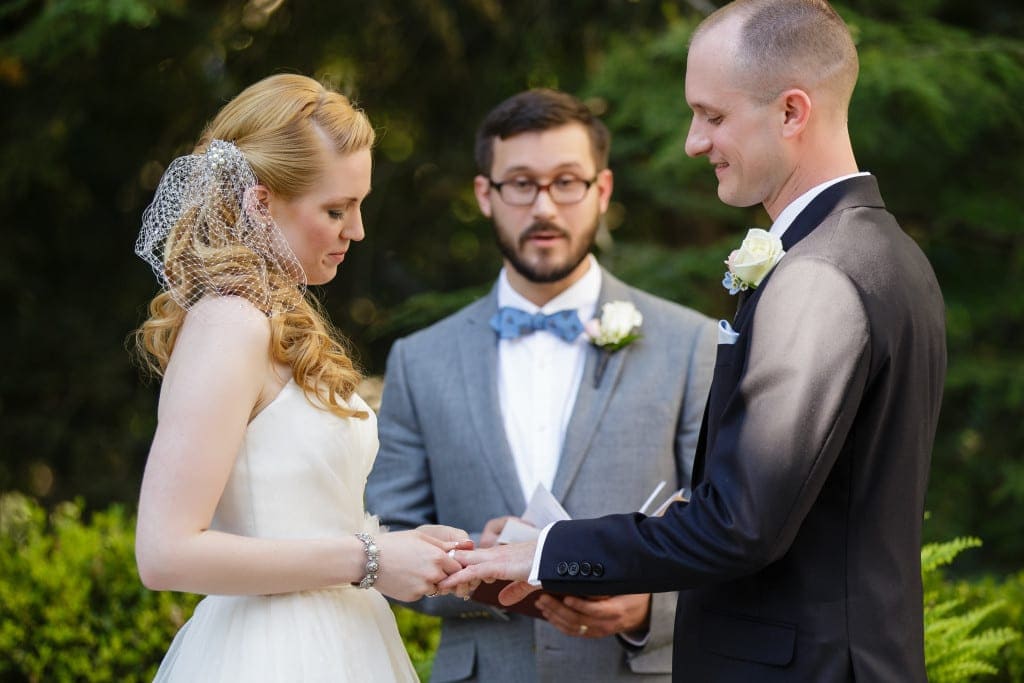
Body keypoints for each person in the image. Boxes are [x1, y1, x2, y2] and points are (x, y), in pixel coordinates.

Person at [441, 2, 948, 682]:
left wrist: (547, 550)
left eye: (712, 115)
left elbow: (740, 523)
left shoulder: (818, 275)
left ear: (792, 112)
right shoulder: (888, 253)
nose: (693, 141)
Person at [365, 88, 716, 682]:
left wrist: (651, 604)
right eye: (521, 184)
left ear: (601, 191)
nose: (545, 207)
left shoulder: (691, 344)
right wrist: (487, 558)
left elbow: (726, 528)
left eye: (567, 182)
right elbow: (386, 540)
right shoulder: (419, 360)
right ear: (485, 194)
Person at [132, 73, 470, 682]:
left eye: (359, 205)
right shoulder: (230, 323)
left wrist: (405, 549)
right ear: (261, 202)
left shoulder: (272, 318)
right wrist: (370, 558)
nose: (357, 231)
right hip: (272, 654)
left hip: (345, 639)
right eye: (336, 209)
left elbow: (308, 514)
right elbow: (164, 553)